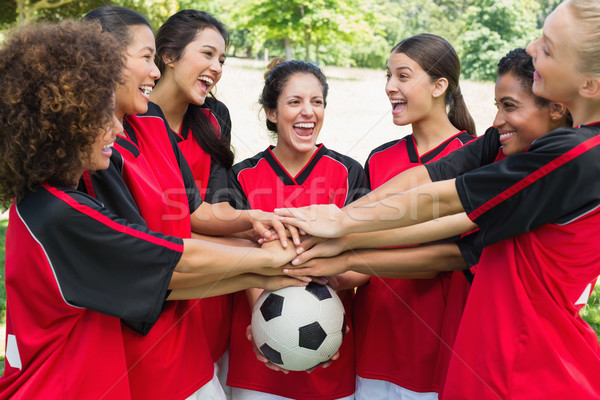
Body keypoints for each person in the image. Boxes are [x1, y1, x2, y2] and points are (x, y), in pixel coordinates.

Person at [276, 0, 600, 397]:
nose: (532, 49)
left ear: (586, 86)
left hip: (527, 369)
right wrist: (344, 236)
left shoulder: (577, 155)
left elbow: (449, 206)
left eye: (547, 47)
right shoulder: (557, 151)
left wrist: (343, 227)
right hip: (496, 361)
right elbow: (434, 186)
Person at [0, 20, 303, 400]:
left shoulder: (49, 204)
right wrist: (280, 260)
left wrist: (270, 271)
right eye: (103, 114)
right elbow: (175, 260)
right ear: (65, 121)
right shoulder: (58, 213)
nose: (118, 129)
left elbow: (164, 268)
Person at [226, 59, 368, 400]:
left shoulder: (349, 172)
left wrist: (330, 296)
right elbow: (238, 257)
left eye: (316, 102)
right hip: (257, 357)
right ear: (272, 113)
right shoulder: (242, 176)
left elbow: (366, 261)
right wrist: (264, 327)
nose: (308, 112)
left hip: (330, 355)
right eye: (295, 102)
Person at [351, 33, 475, 399]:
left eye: (403, 76)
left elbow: (451, 255)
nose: (390, 87)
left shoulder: (473, 157)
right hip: (374, 344)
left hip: (437, 351)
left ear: (440, 85)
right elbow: (360, 242)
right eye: (387, 76)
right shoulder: (378, 158)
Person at [151, 9, 235, 384]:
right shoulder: (128, 124)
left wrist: (268, 225)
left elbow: (217, 205)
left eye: (222, 59)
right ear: (168, 55)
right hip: (162, 289)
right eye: (207, 54)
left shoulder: (214, 117)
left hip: (214, 283)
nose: (216, 67)